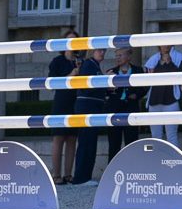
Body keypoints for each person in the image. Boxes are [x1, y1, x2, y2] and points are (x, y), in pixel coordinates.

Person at [47, 29, 81, 184]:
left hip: (76, 102)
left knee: (72, 139)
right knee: (59, 138)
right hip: (61, 101)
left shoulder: (80, 61)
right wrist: (72, 74)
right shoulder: (57, 61)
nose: (72, 43)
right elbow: (52, 83)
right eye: (69, 40)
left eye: (75, 40)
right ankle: (56, 175)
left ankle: (68, 174)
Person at [71, 47, 107, 185]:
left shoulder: (94, 65)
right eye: (99, 50)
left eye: (104, 50)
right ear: (92, 51)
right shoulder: (88, 64)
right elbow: (87, 87)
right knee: (86, 142)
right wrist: (104, 83)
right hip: (87, 107)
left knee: (90, 143)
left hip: (93, 107)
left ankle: (85, 176)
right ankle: (81, 177)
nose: (102, 53)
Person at [104, 47, 144, 163]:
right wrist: (108, 86)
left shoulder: (138, 70)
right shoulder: (111, 72)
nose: (118, 58)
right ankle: (111, 171)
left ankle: (131, 170)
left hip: (131, 110)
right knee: (113, 143)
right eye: (116, 55)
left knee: (131, 143)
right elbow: (105, 91)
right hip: (115, 111)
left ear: (129, 57)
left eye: (120, 55)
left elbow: (144, 88)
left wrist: (136, 95)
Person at [144, 45, 182, 146]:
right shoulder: (153, 59)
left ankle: (175, 161)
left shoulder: (179, 58)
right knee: (156, 136)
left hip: (171, 101)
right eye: (163, 43)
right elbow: (146, 79)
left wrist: (170, 63)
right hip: (154, 102)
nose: (165, 45)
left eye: (167, 42)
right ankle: (157, 161)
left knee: (172, 136)